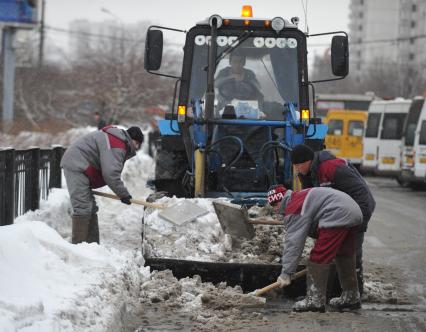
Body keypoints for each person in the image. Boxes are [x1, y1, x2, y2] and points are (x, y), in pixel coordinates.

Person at [290, 144, 376, 295]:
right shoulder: (308, 174)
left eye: (298, 165)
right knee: (334, 251)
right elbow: (311, 200)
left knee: (352, 252)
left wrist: (359, 220)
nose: (297, 169)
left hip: (359, 210)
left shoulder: (332, 167)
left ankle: (355, 293)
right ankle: (337, 292)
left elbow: (361, 193)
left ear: (308, 161)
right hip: (337, 214)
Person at [268, 185, 363, 312]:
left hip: (337, 212)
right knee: (344, 253)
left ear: (279, 200)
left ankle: (315, 300)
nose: (275, 210)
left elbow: (294, 244)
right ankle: (351, 296)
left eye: (274, 205)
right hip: (352, 209)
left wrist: (286, 273)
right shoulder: (298, 197)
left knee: (318, 256)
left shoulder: (293, 207)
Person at [60, 125, 143, 244]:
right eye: (138, 146)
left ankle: (92, 246)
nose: (137, 149)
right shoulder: (118, 144)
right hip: (77, 165)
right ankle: (78, 248)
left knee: (90, 208)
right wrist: (123, 194)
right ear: (135, 141)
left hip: (82, 166)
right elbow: (110, 173)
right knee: (82, 207)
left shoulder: (116, 139)